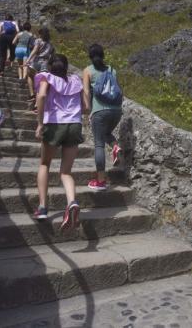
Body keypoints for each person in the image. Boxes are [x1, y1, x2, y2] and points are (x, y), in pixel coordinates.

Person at [32, 54, 86, 231]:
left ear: (50, 66)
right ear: (66, 66)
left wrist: (40, 123)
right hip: (74, 125)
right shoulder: (76, 80)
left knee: (45, 164)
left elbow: (40, 97)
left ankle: (42, 208)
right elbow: (86, 107)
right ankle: (72, 202)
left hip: (55, 124)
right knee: (66, 172)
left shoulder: (46, 77)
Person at [82, 43, 122, 191]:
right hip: (116, 110)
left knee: (99, 144)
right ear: (103, 55)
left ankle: (100, 181)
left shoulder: (87, 71)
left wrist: (87, 109)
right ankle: (115, 146)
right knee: (106, 134)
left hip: (100, 111)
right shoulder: (112, 70)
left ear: (90, 56)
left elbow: (86, 92)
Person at [25, 27, 55, 106]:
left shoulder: (38, 40)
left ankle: (32, 94)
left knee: (29, 75)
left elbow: (35, 50)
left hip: (36, 61)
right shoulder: (51, 44)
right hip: (45, 63)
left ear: (40, 34)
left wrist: (28, 60)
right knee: (41, 83)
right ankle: (36, 105)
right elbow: (52, 56)